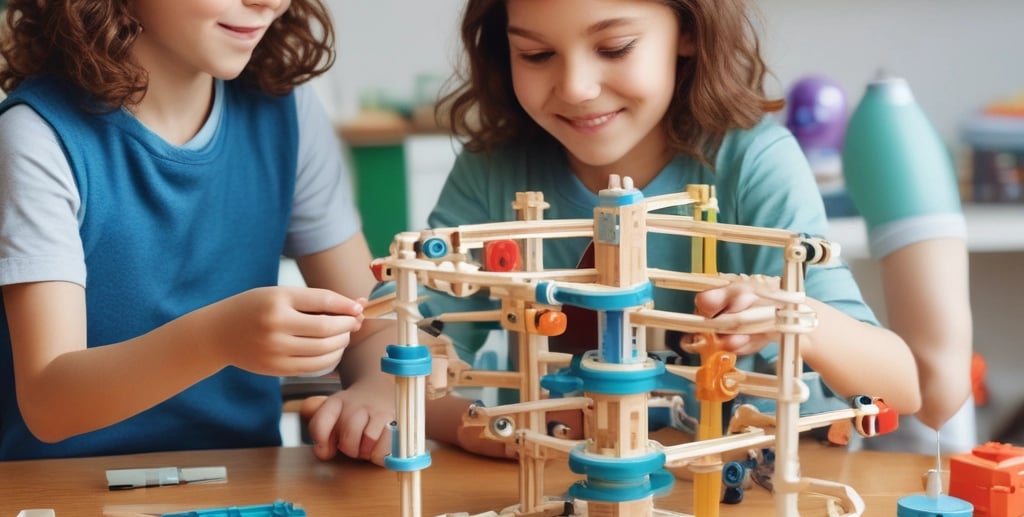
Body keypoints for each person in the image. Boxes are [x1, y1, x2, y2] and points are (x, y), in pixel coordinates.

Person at [409, 0, 922, 455]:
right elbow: (402, 351)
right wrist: (481, 428)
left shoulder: (754, 162)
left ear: (689, 29)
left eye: (614, 47)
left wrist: (796, 315)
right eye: (536, 55)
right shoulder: (491, 171)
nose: (576, 87)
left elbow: (900, 388)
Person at [0, 0, 395, 464]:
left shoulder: (289, 113)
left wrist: (376, 388)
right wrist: (218, 338)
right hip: (65, 492)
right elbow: (50, 403)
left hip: (248, 484)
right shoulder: (36, 137)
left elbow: (373, 324)